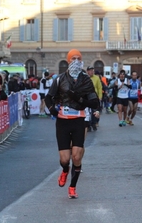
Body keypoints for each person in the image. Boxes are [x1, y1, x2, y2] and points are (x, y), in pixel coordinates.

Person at [45, 49, 99, 199]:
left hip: (79, 121)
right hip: (62, 122)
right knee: (64, 159)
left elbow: (95, 102)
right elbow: (49, 97)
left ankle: (73, 187)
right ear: (68, 61)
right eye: (73, 58)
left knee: (76, 157)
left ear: (82, 61)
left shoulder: (86, 80)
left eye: (78, 58)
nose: (76, 61)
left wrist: (81, 100)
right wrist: (53, 111)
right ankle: (64, 170)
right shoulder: (60, 79)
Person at [87, 66, 102, 131]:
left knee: (95, 111)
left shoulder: (96, 78)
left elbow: (99, 88)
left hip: (94, 97)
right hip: (87, 97)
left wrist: (100, 97)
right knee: (87, 112)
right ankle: (88, 125)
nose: (92, 71)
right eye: (90, 70)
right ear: (87, 71)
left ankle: (94, 123)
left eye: (92, 70)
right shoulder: (85, 78)